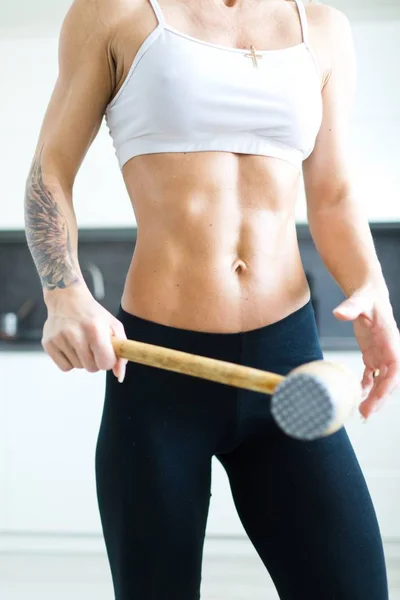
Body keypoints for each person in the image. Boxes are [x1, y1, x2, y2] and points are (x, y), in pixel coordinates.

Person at [24, 0, 399, 598]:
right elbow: (50, 170)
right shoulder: (113, 13)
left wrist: (372, 288)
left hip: (287, 365)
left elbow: (332, 193)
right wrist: (63, 290)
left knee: (352, 587)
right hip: (158, 369)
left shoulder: (323, 29)